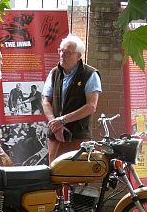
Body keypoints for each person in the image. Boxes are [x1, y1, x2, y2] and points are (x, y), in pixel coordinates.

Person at [42, 34, 102, 163]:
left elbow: (91, 106)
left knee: (76, 176)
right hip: (56, 136)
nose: (62, 55)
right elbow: (46, 101)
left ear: (78, 55)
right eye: (61, 51)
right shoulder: (54, 73)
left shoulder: (90, 74)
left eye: (67, 52)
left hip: (78, 137)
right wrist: (55, 124)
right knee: (56, 174)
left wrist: (63, 120)